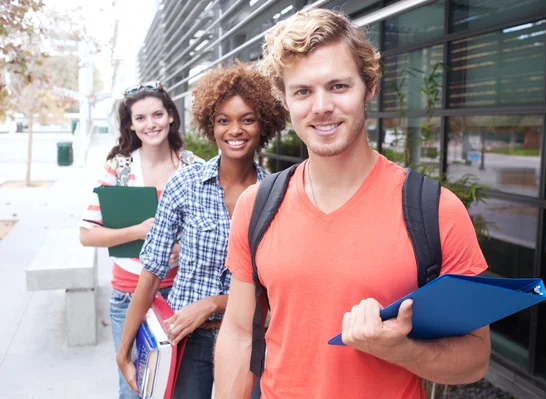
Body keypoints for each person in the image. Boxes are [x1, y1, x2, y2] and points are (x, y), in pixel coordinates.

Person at [215, 8, 491, 399]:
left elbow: (475, 358)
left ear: (369, 86)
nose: (321, 106)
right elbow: (240, 334)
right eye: (303, 91)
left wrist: (401, 350)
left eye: (339, 86)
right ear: (285, 100)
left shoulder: (436, 211)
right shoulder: (257, 206)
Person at [115, 63, 288, 398]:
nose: (234, 130)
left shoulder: (276, 195)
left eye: (247, 119)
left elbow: (274, 290)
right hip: (186, 338)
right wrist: (124, 348)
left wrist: (213, 303)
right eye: (223, 120)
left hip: (248, 338)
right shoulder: (185, 184)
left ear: (263, 124)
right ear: (211, 126)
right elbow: (151, 271)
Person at [80, 81, 202, 399]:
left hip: (182, 296)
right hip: (128, 296)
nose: (151, 124)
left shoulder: (194, 168)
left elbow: (216, 230)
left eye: (158, 114)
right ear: (131, 125)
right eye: (141, 118)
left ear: (171, 116)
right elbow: (87, 234)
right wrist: (140, 231)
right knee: (135, 389)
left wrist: (184, 247)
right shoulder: (119, 169)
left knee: (182, 387)